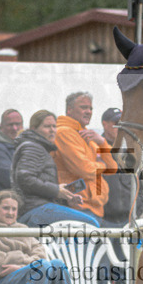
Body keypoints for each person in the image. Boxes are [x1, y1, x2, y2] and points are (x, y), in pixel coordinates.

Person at [11, 110, 93, 226]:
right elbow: (25, 178)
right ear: (34, 129)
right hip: (34, 209)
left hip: (36, 208)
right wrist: (56, 190)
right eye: (47, 126)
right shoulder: (32, 147)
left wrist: (64, 196)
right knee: (90, 223)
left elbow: (37, 187)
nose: (52, 130)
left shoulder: (38, 147)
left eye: (54, 126)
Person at [54, 92, 118, 227]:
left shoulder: (87, 135)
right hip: (78, 207)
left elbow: (112, 168)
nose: (88, 112)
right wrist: (102, 165)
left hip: (94, 208)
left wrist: (102, 142)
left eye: (90, 108)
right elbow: (84, 169)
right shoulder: (64, 132)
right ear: (69, 110)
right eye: (83, 107)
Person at [101, 107, 143, 225]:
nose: (120, 127)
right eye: (116, 123)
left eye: (123, 124)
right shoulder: (93, 148)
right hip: (103, 221)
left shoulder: (131, 152)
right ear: (104, 124)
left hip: (128, 221)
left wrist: (137, 211)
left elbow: (141, 187)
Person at [0, 108, 24, 202]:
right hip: (6, 205)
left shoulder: (24, 147)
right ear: (1, 126)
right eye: (10, 125)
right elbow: (10, 179)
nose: (15, 128)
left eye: (18, 124)